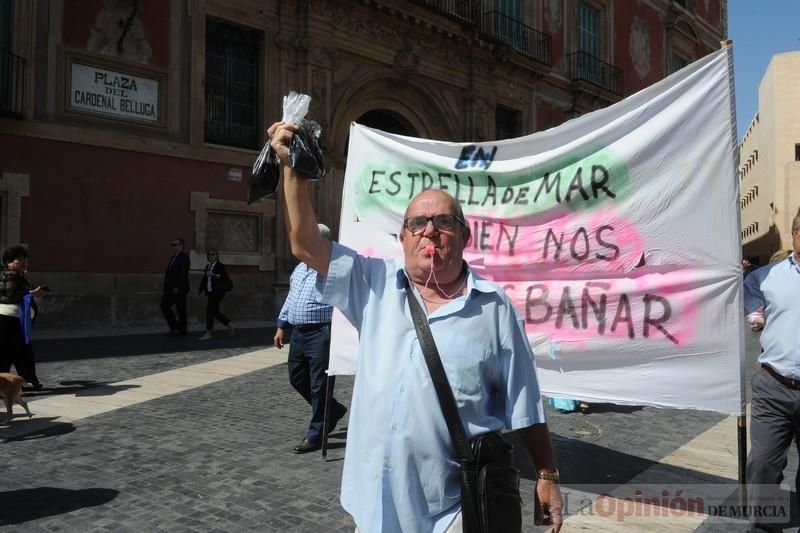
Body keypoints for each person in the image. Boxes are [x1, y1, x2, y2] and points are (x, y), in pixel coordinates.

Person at [269, 121, 563, 532]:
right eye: (417, 223)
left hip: (452, 509)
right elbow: (304, 243)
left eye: (443, 222)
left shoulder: (494, 309)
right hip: (372, 504)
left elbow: (524, 402)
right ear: (402, 237)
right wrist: (290, 167)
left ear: (465, 235)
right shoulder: (372, 283)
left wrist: (546, 475)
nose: (429, 231)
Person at [744, 212, 800, 532]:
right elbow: (745, 289)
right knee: (763, 464)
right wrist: (754, 314)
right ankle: (765, 526)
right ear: (795, 234)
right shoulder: (767, 275)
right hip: (773, 386)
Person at [274, 223, 348, 454]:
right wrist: (281, 326)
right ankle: (332, 410)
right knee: (297, 377)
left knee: (320, 386)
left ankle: (316, 433)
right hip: (298, 333)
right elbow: (291, 297)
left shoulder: (330, 268)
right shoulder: (299, 269)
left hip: (321, 332)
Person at [0, 245, 46, 389]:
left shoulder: (17, 275)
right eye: (19, 260)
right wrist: (33, 293)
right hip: (9, 319)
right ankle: (26, 381)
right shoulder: (11, 275)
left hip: (13, 319)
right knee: (14, 352)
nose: (24, 262)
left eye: (25, 259)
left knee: (15, 352)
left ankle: (26, 381)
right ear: (8, 262)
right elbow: (11, 294)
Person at [197, 249, 235, 341]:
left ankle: (208, 333)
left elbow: (224, 276)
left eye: (213, 254)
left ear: (216, 256)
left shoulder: (220, 266)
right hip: (210, 291)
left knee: (209, 311)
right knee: (214, 311)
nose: (211, 256)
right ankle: (230, 325)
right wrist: (200, 289)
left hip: (218, 291)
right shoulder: (208, 266)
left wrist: (213, 274)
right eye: (209, 254)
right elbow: (205, 279)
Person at [161, 238, 190, 336]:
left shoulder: (184, 257)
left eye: (176, 244)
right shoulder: (173, 257)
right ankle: (175, 327)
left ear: (181, 245)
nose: (174, 246)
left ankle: (182, 331)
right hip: (170, 288)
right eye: (173, 244)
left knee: (181, 309)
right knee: (164, 306)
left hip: (179, 288)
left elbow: (183, 273)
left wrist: (177, 286)